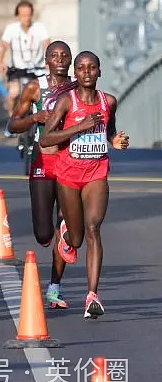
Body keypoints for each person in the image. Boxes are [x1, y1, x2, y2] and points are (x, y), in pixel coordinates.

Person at [39, 51, 129, 319]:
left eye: (92, 68)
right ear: (75, 73)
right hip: (68, 175)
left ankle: (92, 296)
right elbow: (46, 139)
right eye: (81, 68)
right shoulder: (67, 102)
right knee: (76, 239)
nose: (87, 72)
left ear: (99, 72)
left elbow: (109, 131)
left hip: (96, 173)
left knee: (93, 228)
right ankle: (66, 233)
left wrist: (116, 141)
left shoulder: (108, 101)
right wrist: (79, 127)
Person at [7, 41, 75, 308]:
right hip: (43, 157)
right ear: (46, 60)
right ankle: (56, 230)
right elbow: (13, 124)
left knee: (64, 224)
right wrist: (35, 119)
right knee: (43, 234)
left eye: (64, 55)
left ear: (70, 60)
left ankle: (55, 287)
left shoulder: (77, 86)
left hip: (72, 159)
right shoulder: (35, 87)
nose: (59, 59)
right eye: (54, 55)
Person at [0, 0, 51, 114]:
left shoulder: (40, 28)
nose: (27, 18)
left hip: (38, 69)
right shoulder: (11, 29)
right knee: (14, 93)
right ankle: (11, 118)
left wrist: (49, 63)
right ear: (17, 16)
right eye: (23, 15)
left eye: (29, 15)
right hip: (18, 68)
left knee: (44, 94)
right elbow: (3, 47)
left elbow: (48, 46)